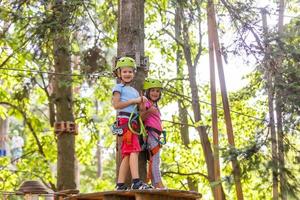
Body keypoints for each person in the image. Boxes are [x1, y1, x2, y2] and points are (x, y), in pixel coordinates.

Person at [112, 56, 152, 190]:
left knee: (128, 154)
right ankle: (136, 182)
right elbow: (116, 105)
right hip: (125, 123)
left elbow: (139, 110)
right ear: (119, 73)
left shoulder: (135, 91)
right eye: (124, 72)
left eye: (130, 71)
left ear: (133, 73)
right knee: (134, 150)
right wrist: (134, 101)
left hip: (133, 123)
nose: (127, 74)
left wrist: (142, 103)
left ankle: (120, 184)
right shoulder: (119, 87)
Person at [140, 78, 165, 189]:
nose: (155, 93)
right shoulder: (147, 103)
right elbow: (140, 117)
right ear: (147, 92)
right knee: (155, 160)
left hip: (156, 135)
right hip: (151, 134)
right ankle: (158, 183)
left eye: (157, 91)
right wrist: (148, 111)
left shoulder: (155, 105)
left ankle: (156, 184)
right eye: (152, 90)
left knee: (155, 159)